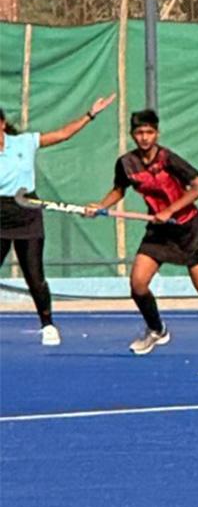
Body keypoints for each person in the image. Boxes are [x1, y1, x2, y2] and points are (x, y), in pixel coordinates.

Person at [89, 109, 198, 357]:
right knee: (137, 284)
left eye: (149, 132)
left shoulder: (169, 159)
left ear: (157, 133)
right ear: (132, 135)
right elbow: (119, 190)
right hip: (159, 232)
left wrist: (170, 210)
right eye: (139, 132)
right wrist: (101, 206)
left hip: (189, 230)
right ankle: (157, 330)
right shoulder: (126, 163)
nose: (144, 137)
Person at [0, 95, 117, 345]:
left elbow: (63, 134)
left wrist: (90, 114)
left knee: (34, 274)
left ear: (1, 124)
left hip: (27, 211)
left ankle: (48, 324)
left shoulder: (24, 142)